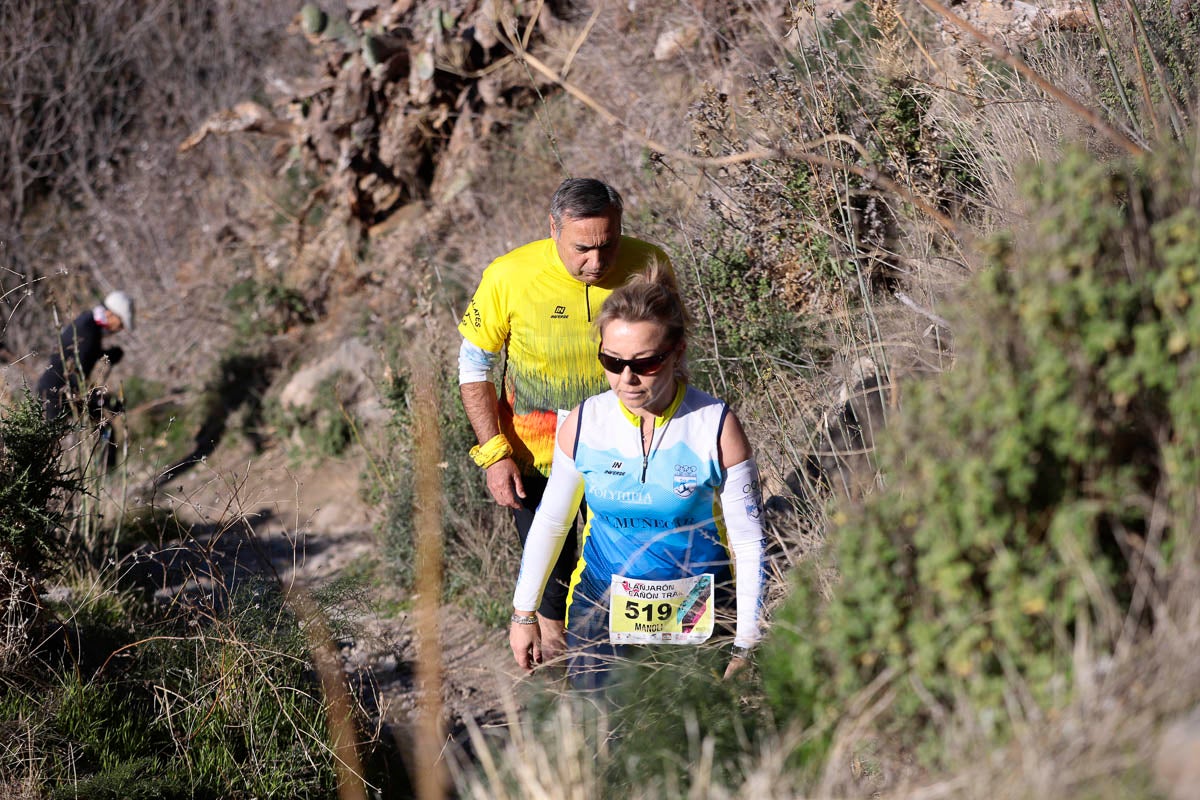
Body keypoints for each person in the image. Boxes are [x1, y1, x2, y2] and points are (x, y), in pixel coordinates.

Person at [507, 267, 765, 689]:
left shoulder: (714, 426)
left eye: (645, 363)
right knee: (602, 743)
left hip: (697, 609)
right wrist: (523, 613)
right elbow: (552, 523)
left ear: (677, 353)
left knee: (688, 749)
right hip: (601, 606)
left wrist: (746, 643)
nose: (626, 378)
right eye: (612, 361)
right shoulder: (586, 422)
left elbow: (749, 541)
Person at [458, 178, 673, 659]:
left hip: (625, 451)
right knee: (552, 574)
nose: (597, 263)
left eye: (608, 244)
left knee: (626, 562)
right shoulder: (509, 276)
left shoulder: (649, 265)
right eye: (582, 248)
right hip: (535, 456)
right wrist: (494, 455)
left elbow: (671, 352)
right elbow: (474, 366)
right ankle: (565, 675)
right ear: (553, 227)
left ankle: (641, 670)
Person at [36, 290, 134, 421]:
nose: (120, 329)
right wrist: (104, 401)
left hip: (64, 391)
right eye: (121, 323)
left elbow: (85, 353)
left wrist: (108, 355)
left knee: (103, 428)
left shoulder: (90, 322)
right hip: (56, 394)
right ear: (110, 314)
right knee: (52, 437)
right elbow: (77, 376)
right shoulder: (88, 330)